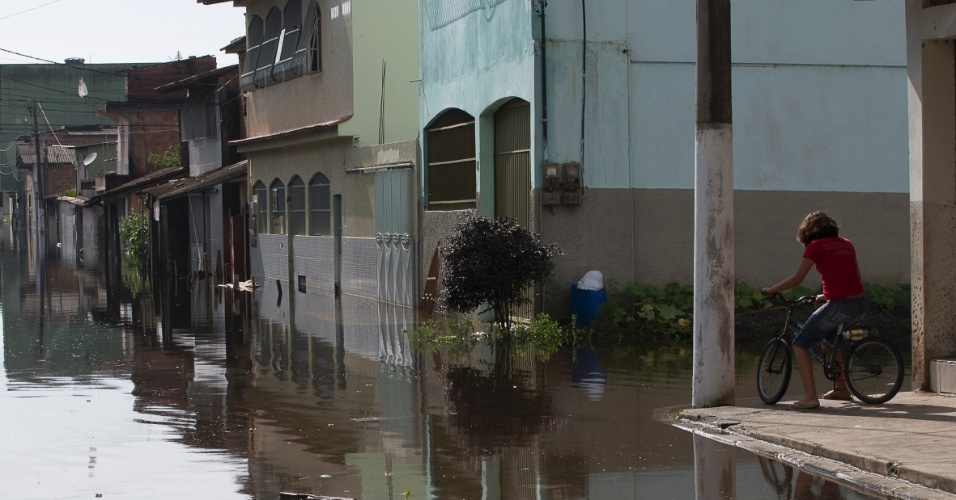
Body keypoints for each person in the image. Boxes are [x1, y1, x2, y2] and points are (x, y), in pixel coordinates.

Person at [761, 211, 866, 410]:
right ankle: (842, 388)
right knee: (828, 340)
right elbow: (853, 276)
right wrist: (826, 296)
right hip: (859, 304)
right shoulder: (846, 243)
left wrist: (771, 290)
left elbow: (796, 279)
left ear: (806, 232)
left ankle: (810, 397)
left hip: (840, 306)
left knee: (800, 343)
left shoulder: (815, 247)